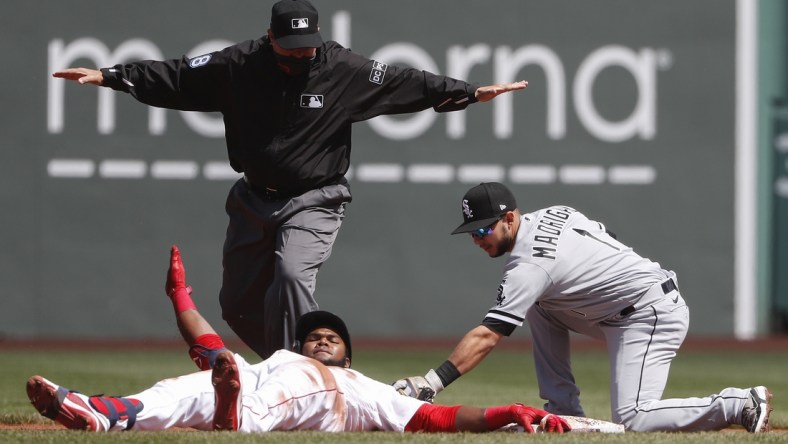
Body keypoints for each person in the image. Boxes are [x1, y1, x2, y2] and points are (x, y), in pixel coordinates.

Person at [51, 0, 528, 360]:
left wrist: (467, 92)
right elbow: (176, 75)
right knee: (236, 305)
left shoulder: (339, 67)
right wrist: (110, 76)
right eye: (290, 48)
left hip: (316, 198)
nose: (301, 56)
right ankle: (292, 368)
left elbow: (406, 81)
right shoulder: (237, 65)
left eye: (308, 48)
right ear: (269, 38)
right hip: (253, 200)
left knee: (290, 276)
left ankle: (313, 379)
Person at [26, 245, 570, 434]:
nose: (322, 341)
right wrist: (180, 297)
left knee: (272, 394)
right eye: (315, 336)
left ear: (349, 355)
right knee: (185, 385)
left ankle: (236, 416)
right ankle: (99, 412)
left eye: (332, 338)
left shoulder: (358, 383)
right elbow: (208, 345)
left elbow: (439, 419)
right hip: (242, 387)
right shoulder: (283, 357)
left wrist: (504, 412)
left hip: (296, 400)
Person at [393, 182, 773, 433]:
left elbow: (487, 336)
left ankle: (738, 403)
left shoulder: (529, 267)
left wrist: (432, 382)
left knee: (634, 418)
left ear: (509, 218)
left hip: (648, 313)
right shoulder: (557, 211)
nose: (476, 239)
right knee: (539, 304)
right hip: (623, 307)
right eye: (471, 232)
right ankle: (563, 409)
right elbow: (607, 238)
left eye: (482, 230)